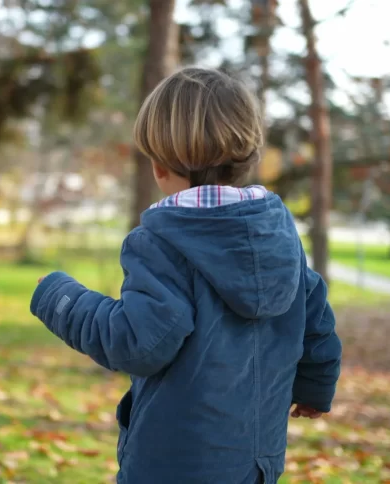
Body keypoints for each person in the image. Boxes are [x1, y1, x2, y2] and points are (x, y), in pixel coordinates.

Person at [30, 67, 341, 484]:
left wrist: (58, 297)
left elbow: (139, 343)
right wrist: (316, 388)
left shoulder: (161, 244)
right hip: (257, 462)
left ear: (160, 165)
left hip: (174, 464)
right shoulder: (279, 236)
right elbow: (315, 321)